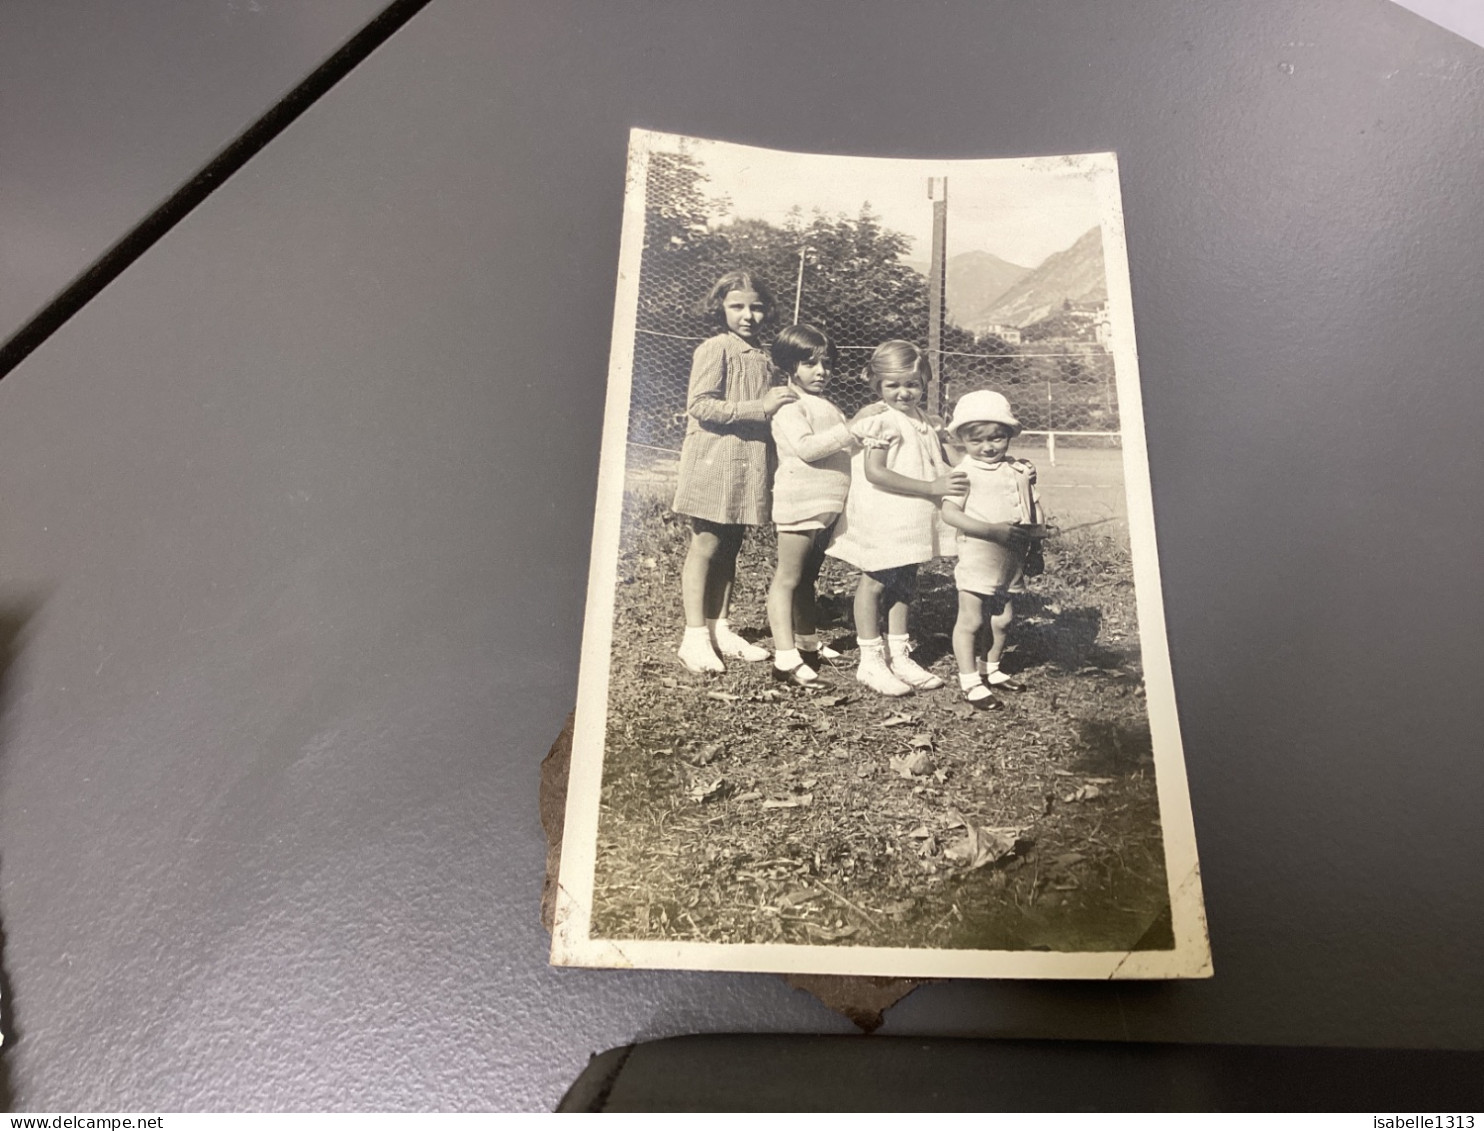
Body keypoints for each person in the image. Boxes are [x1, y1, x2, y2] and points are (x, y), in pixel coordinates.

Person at [672, 270, 797, 674]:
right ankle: (693, 637)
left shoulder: (761, 355)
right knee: (706, 544)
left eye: (757, 307)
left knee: (731, 546)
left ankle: (718, 627)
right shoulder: (715, 349)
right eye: (737, 306)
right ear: (720, 307)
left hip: (748, 463)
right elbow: (701, 405)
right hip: (714, 458)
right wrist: (760, 407)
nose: (748, 316)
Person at [826, 340, 966, 696]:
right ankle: (870, 660)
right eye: (894, 385)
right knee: (874, 582)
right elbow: (876, 473)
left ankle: (899, 654)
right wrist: (931, 486)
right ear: (877, 385)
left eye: (913, 384)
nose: (904, 392)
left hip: (913, 514)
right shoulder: (880, 421)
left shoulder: (925, 421)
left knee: (906, 579)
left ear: (924, 382)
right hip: (885, 512)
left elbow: (947, 463)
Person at [940, 389, 1042, 708]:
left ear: (1009, 435)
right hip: (978, 555)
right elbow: (949, 512)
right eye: (977, 440)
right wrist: (990, 530)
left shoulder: (1019, 469)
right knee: (971, 620)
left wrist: (1036, 548)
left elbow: (1032, 510)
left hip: (1010, 560)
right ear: (963, 441)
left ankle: (992, 668)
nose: (988, 447)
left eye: (997, 438)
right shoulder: (964, 472)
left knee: (1002, 619)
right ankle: (970, 681)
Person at [765, 325, 854, 686]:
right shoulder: (789, 403)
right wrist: (853, 430)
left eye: (827, 363)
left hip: (826, 503)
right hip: (800, 499)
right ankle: (784, 659)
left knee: (806, 578)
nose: (821, 371)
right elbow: (807, 448)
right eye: (810, 363)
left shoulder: (828, 405)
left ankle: (807, 644)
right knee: (788, 577)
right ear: (790, 365)